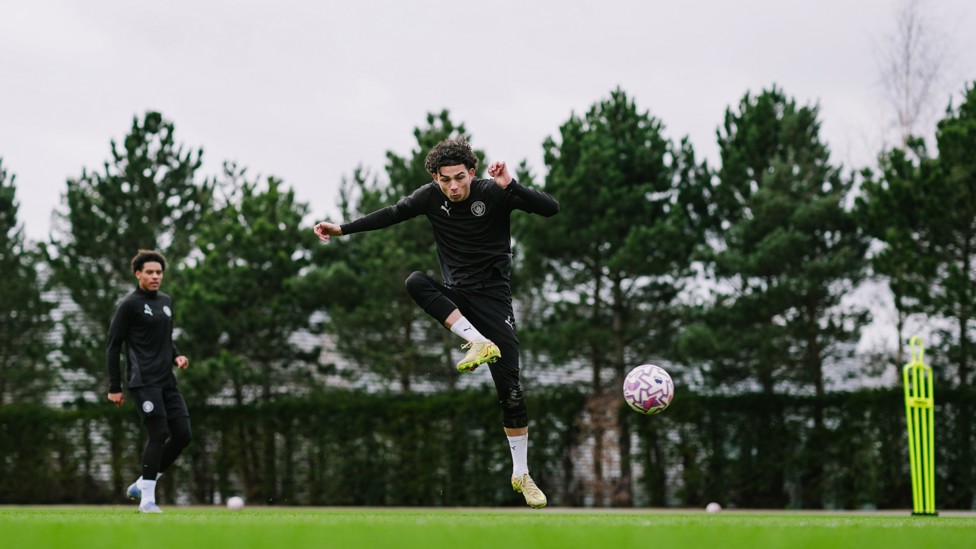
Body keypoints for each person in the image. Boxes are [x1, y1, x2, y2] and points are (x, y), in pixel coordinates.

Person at [314, 137, 559, 508]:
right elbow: (391, 213)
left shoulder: (494, 193)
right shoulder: (430, 197)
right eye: (446, 180)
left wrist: (513, 185)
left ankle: (521, 473)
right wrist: (343, 229)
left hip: (494, 302)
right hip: (457, 297)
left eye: (460, 178)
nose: (454, 187)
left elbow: (551, 209)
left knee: (511, 392)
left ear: (472, 173)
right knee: (415, 280)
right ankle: (476, 340)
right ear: (436, 178)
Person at [106, 249, 192, 513]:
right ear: (138, 274)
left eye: (159, 272)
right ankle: (147, 501)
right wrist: (114, 387)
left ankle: (142, 482)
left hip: (166, 381)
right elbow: (113, 346)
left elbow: (165, 338)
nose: (155, 277)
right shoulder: (129, 305)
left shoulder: (165, 301)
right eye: (150, 272)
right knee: (159, 433)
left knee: (183, 435)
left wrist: (177, 356)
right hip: (143, 381)